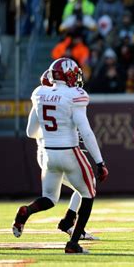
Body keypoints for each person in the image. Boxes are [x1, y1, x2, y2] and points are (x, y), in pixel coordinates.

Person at [13, 58, 109, 254]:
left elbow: (31, 132)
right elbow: (87, 132)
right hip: (69, 150)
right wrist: (100, 162)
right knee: (88, 193)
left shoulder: (40, 94)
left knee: (49, 198)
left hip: (48, 154)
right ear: (69, 75)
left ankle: (27, 211)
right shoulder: (74, 95)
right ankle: (73, 242)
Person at [37, 69, 98, 241]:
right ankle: (70, 224)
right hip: (55, 152)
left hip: (49, 152)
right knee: (85, 187)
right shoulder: (54, 98)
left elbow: (33, 130)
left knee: (84, 185)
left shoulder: (44, 98)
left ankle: (68, 221)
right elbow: (31, 130)